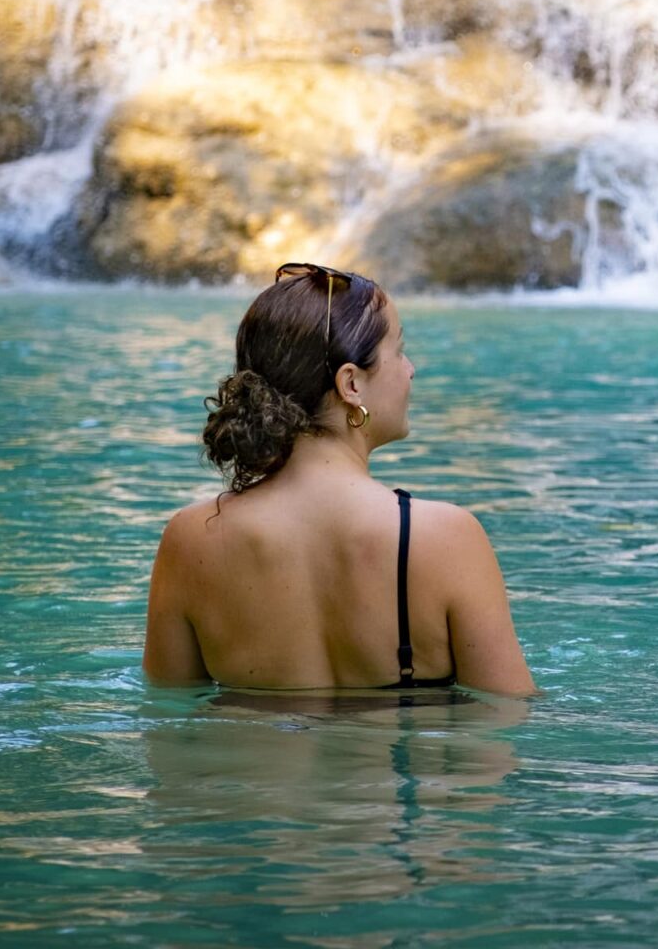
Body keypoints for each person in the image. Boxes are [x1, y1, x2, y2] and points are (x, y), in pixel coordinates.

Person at [142, 262, 535, 695]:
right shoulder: (445, 538)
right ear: (351, 383)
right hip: (393, 763)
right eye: (399, 351)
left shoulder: (191, 539)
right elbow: (505, 722)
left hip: (244, 764)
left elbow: (168, 714)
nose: (411, 370)